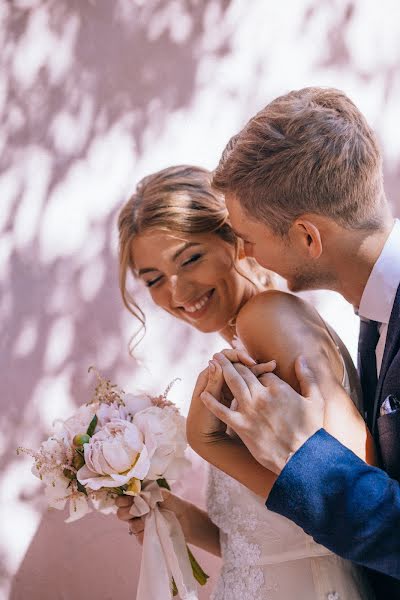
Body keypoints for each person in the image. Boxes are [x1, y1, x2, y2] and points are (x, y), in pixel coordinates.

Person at [115, 165, 375, 599]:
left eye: (190, 259)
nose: (177, 294)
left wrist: (208, 442)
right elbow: (262, 544)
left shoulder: (267, 319)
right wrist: (175, 514)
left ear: (232, 238)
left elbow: (351, 494)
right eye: (154, 280)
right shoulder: (248, 336)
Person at [199, 86, 400, 597]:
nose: (241, 251)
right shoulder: (376, 316)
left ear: (308, 237)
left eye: (249, 236)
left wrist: (302, 455)